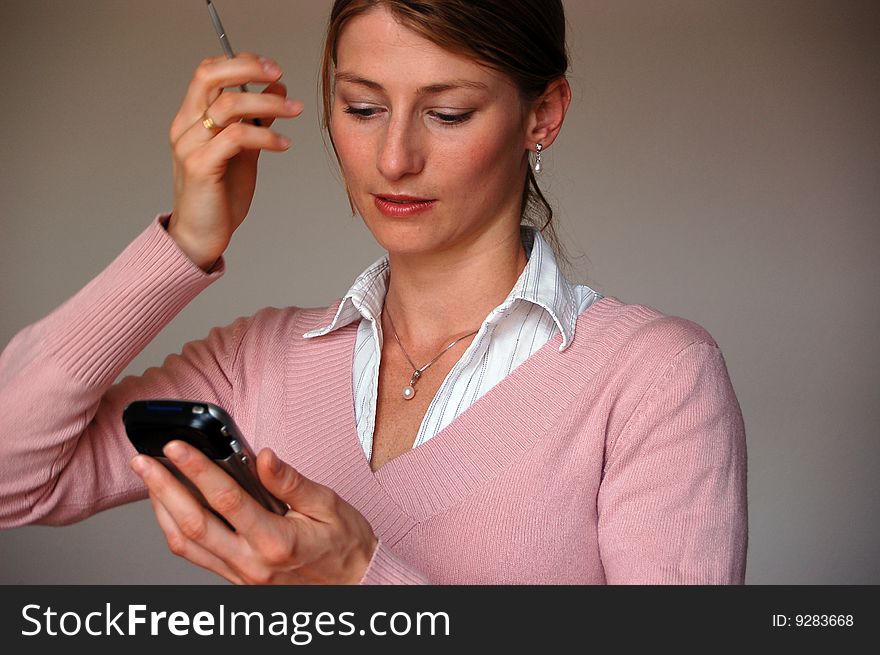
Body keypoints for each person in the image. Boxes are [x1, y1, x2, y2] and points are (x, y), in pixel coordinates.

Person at [0, 0, 747, 584]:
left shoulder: (655, 378)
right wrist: (185, 245)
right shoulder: (259, 361)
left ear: (542, 116)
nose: (394, 158)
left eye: (447, 112)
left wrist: (360, 578)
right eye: (362, 107)